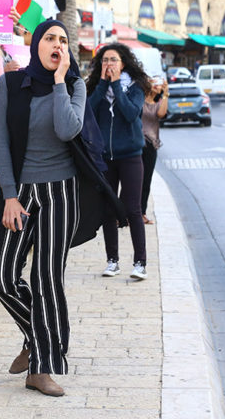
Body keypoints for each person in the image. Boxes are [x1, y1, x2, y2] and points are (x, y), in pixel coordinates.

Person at [0, 20, 85, 397]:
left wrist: (60, 81)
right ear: (36, 44)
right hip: (19, 193)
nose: (56, 44)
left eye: (62, 40)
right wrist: (10, 196)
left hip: (61, 192)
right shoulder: (9, 85)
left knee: (47, 278)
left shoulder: (74, 85)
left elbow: (67, 129)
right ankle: (37, 335)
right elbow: (1, 142)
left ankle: (41, 368)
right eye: (49, 38)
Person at [87, 43, 152, 280]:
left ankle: (140, 263)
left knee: (133, 209)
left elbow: (130, 113)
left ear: (123, 63)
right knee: (108, 210)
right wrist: (104, 84)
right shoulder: (97, 87)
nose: (108, 65)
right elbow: (89, 111)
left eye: (113, 60)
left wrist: (115, 85)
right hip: (105, 158)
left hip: (131, 156)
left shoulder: (135, 87)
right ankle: (112, 261)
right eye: (104, 60)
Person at [140, 76, 168, 225]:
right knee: (133, 180)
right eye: (155, 83)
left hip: (150, 146)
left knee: (146, 181)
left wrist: (166, 93)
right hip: (137, 145)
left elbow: (161, 114)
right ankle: (126, 213)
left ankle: (142, 213)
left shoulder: (158, 103)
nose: (157, 85)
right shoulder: (139, 99)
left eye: (159, 84)